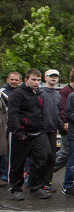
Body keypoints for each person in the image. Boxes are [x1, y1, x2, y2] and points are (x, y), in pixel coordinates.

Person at [6, 70, 51, 199]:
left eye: (38, 80)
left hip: (38, 132)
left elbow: (41, 112)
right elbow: (13, 113)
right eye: (33, 80)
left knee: (41, 159)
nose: (36, 83)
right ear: (26, 80)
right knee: (17, 162)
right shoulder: (17, 94)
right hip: (22, 133)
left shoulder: (39, 94)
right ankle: (15, 188)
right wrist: (18, 130)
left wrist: (43, 127)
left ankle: (36, 187)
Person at [36, 69, 63, 191]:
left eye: (55, 76)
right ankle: (37, 182)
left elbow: (57, 113)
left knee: (52, 157)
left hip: (52, 129)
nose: (53, 78)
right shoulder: (39, 92)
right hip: (41, 129)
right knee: (43, 155)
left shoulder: (57, 95)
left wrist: (62, 125)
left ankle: (47, 182)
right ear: (45, 78)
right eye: (51, 76)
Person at [55, 68, 74, 171]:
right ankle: (47, 170)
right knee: (66, 153)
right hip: (67, 127)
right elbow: (62, 109)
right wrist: (65, 122)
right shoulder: (64, 92)